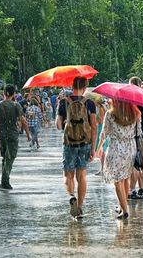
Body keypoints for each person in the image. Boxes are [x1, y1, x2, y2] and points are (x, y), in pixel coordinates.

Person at [56, 77, 97, 218]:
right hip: (85, 143)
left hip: (69, 143)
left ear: (71, 86)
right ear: (85, 87)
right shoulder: (90, 103)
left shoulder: (64, 102)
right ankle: (79, 207)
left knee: (68, 174)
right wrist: (93, 148)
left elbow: (58, 125)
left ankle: (71, 196)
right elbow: (94, 126)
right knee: (82, 175)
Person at [98, 99, 142, 220]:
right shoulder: (136, 113)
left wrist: (99, 147)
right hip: (130, 148)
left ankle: (125, 210)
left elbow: (104, 133)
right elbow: (139, 132)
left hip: (115, 147)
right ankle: (123, 206)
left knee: (117, 180)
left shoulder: (110, 114)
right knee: (126, 177)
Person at [0, 84, 31, 190]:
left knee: (5, 159)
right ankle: (4, 182)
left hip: (2, 136)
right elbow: (23, 121)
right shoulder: (16, 105)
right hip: (13, 137)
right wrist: (28, 135)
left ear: (3, 93)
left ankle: (5, 181)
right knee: (10, 159)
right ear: (14, 94)